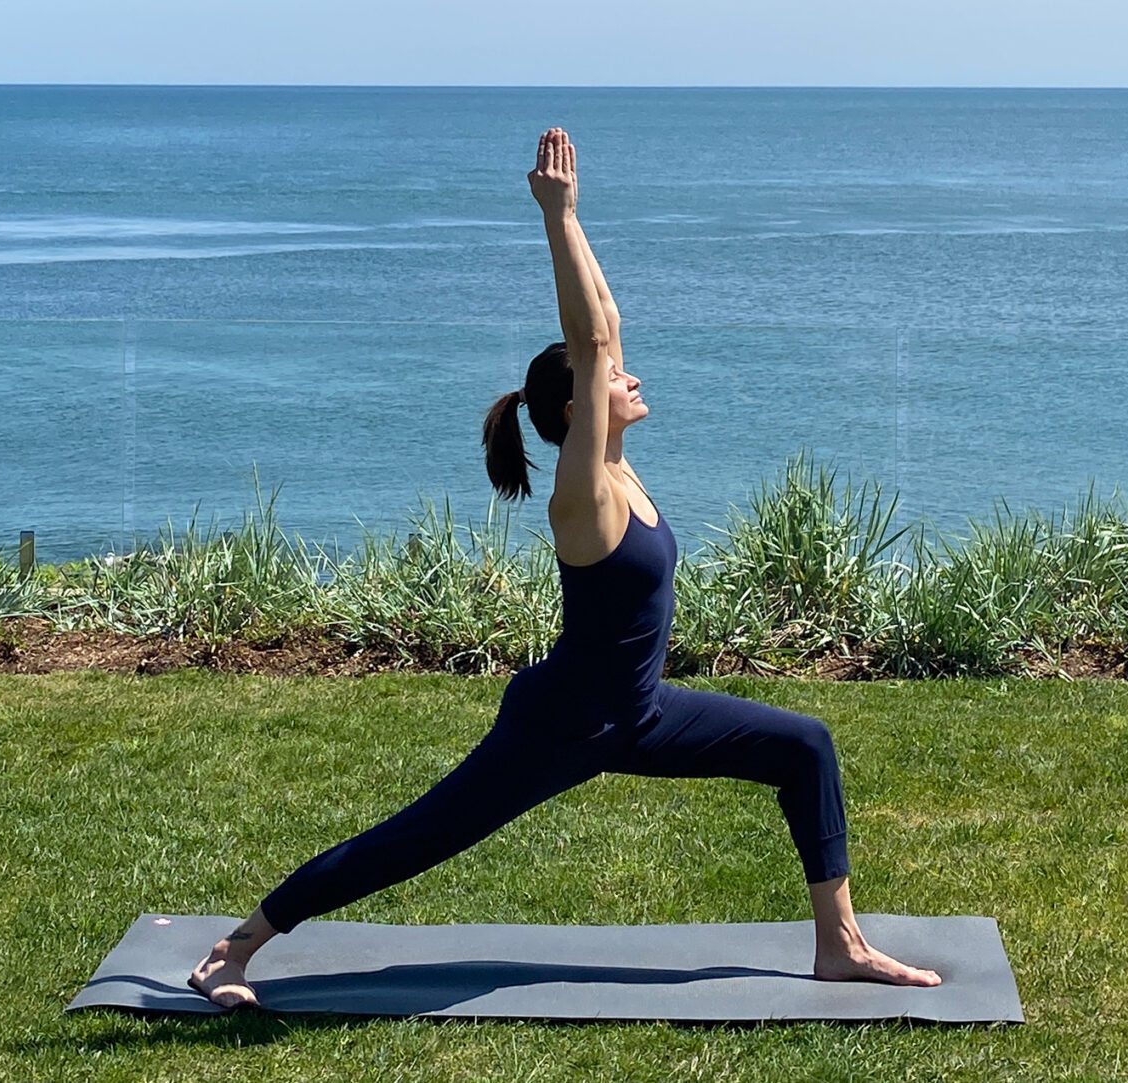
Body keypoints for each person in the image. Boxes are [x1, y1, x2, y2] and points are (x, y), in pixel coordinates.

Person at [188, 128, 940, 1008]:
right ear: (579, 408)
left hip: (643, 712)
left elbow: (604, 332)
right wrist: (559, 216)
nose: (630, 371)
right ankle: (234, 949)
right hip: (563, 724)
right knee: (415, 840)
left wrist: (583, 232)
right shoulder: (585, 496)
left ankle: (839, 944)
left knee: (803, 745)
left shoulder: (621, 465)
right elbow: (588, 341)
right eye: (612, 377)